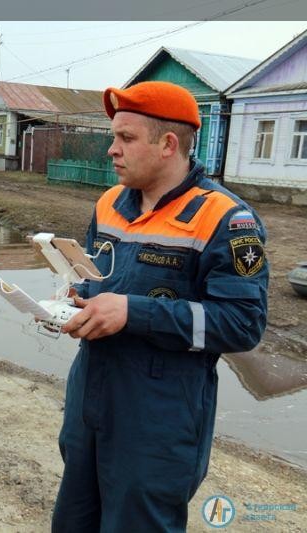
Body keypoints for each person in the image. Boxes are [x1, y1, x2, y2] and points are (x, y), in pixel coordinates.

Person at [51, 81, 269, 532]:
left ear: (168, 144)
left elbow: (242, 325)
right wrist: (76, 305)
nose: (112, 150)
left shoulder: (226, 219)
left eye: (126, 138)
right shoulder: (110, 203)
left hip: (158, 419)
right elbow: (99, 282)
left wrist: (133, 312)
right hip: (89, 399)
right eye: (114, 137)